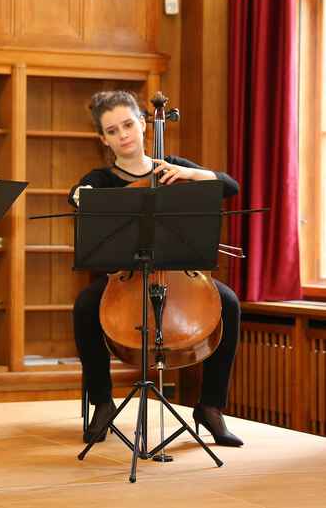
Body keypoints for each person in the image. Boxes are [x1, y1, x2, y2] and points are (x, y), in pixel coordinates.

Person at [69, 90, 243, 448]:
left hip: (181, 273)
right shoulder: (101, 177)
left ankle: (210, 406)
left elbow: (230, 186)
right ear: (103, 139)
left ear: (144, 123)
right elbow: (78, 191)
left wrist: (189, 175)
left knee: (230, 304)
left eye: (129, 124)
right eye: (113, 130)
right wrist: (80, 193)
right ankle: (102, 402)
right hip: (126, 276)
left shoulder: (171, 167)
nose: (124, 135)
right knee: (85, 306)